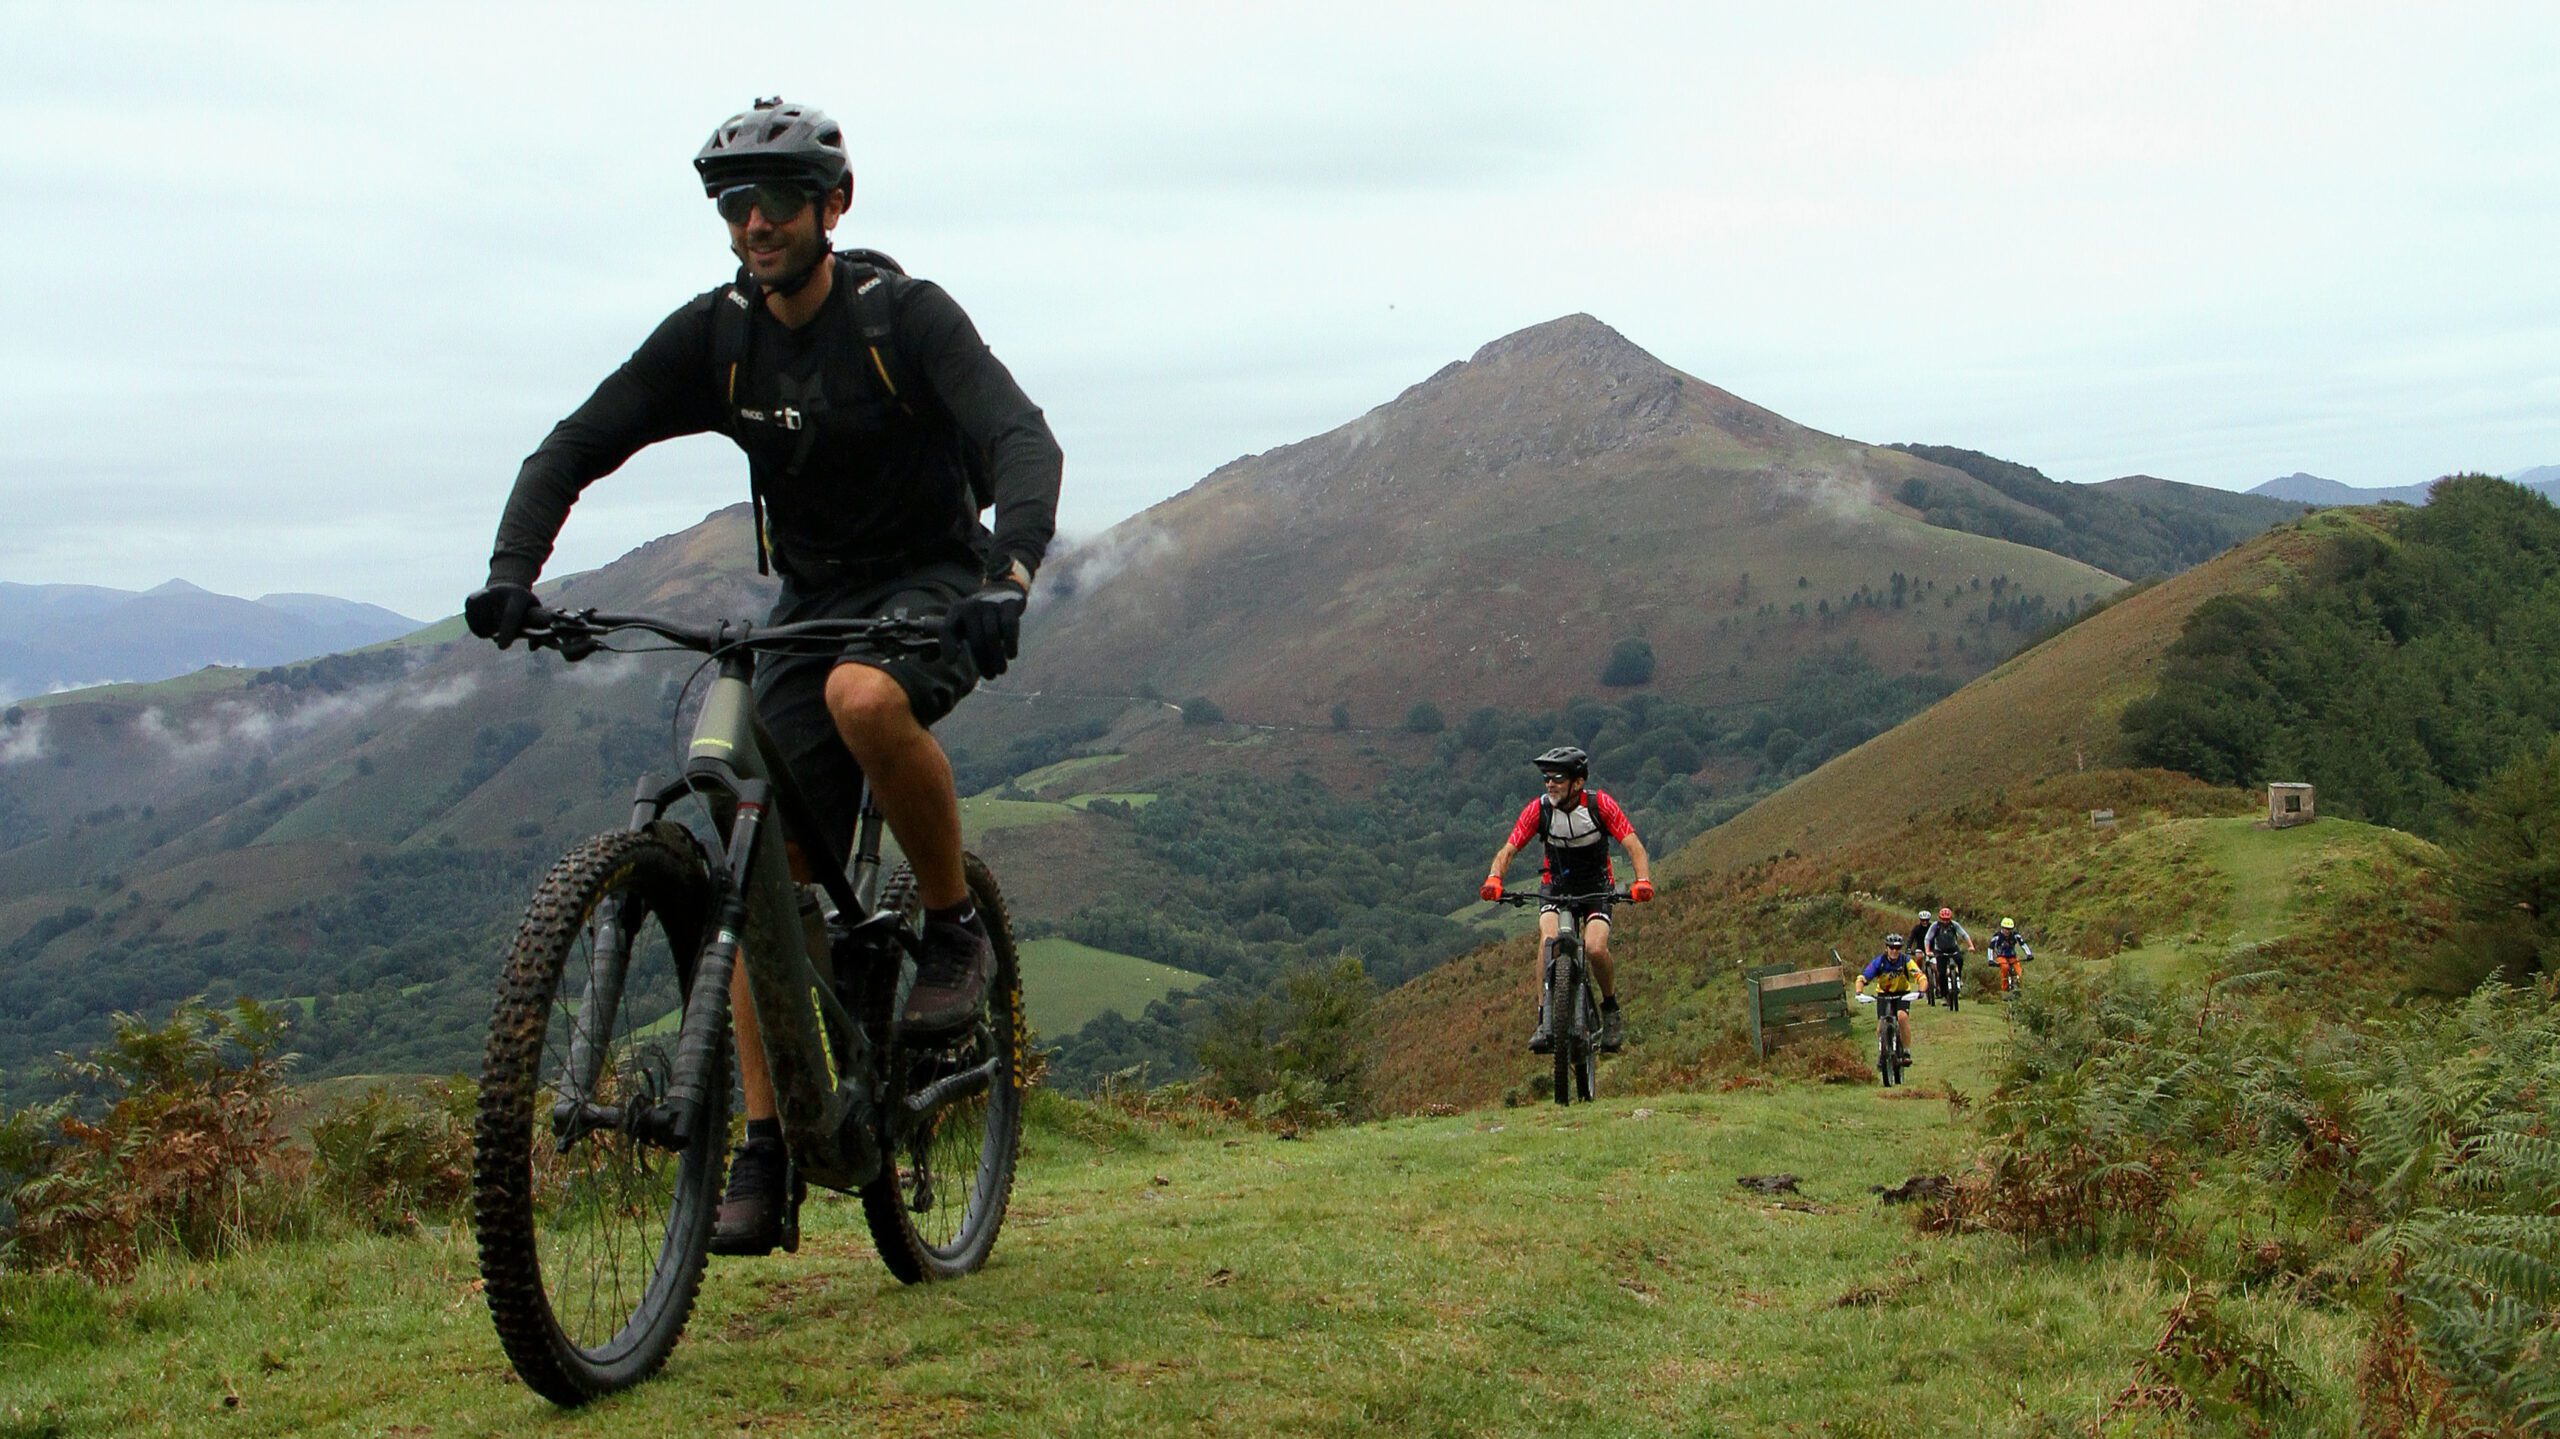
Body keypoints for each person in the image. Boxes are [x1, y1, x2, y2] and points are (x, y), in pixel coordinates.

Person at [462, 98, 1064, 1258]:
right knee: (763, 872)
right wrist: (509, 571)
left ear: (832, 207)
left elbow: (1020, 439)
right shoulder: (719, 337)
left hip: (933, 580)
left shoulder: (904, 318)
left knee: (861, 697)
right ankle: (765, 1142)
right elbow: (580, 440)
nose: (755, 223)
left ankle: (948, 924)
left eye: (778, 199)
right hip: (810, 598)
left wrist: (1011, 572)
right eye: (735, 204)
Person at [1479, 746, 1654, 1054]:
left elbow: (1635, 846)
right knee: (1548, 942)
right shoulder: (1539, 810)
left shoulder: (1601, 806)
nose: (1550, 784)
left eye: (1558, 778)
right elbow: (1508, 850)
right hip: (1556, 887)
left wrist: (1642, 881)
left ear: (1578, 782)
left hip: (1597, 887)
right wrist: (1495, 878)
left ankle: (1610, 1010)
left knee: (1596, 948)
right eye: (1547, 778)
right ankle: (1544, 1019)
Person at [1854, 933, 1925, 1065]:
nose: (1894, 951)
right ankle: (1882, 1052)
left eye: (1897, 948)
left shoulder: (1906, 960)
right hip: (1884, 995)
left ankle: (1906, 1051)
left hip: (1902, 994)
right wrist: (1859, 992)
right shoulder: (1879, 962)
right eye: (1891, 947)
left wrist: (1921, 991)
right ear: (1886, 948)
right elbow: (1862, 978)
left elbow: (1920, 977)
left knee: (1902, 1017)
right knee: (1881, 1025)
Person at [1926, 905, 1973, 1000]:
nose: (1945, 922)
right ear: (1940, 918)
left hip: (1953, 949)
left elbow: (1964, 935)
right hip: (1940, 951)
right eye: (1943, 919)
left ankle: (1959, 977)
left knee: (1960, 960)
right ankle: (1944, 994)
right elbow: (1928, 938)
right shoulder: (1935, 926)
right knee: (1942, 973)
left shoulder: (1954, 925)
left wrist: (1971, 946)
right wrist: (1927, 950)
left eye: (1947, 920)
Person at [1988, 917, 2032, 994]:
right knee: (2005, 968)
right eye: (2006, 929)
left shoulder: (2015, 935)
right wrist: (1990, 960)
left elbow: (2023, 944)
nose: (2007, 931)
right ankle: (2004, 990)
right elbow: (1991, 948)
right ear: (2002, 928)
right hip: (2001, 956)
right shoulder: (1997, 936)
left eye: (2009, 929)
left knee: (2019, 972)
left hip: (2012, 957)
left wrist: (2029, 954)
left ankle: (2020, 989)